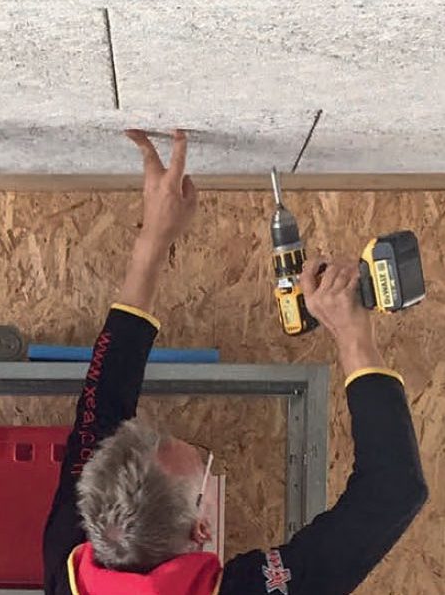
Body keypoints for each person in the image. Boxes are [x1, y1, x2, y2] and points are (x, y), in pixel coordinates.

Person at [43, 129, 428, 595]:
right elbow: (390, 491)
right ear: (201, 529)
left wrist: (154, 237)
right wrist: (353, 335)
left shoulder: (74, 563)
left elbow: (103, 401)